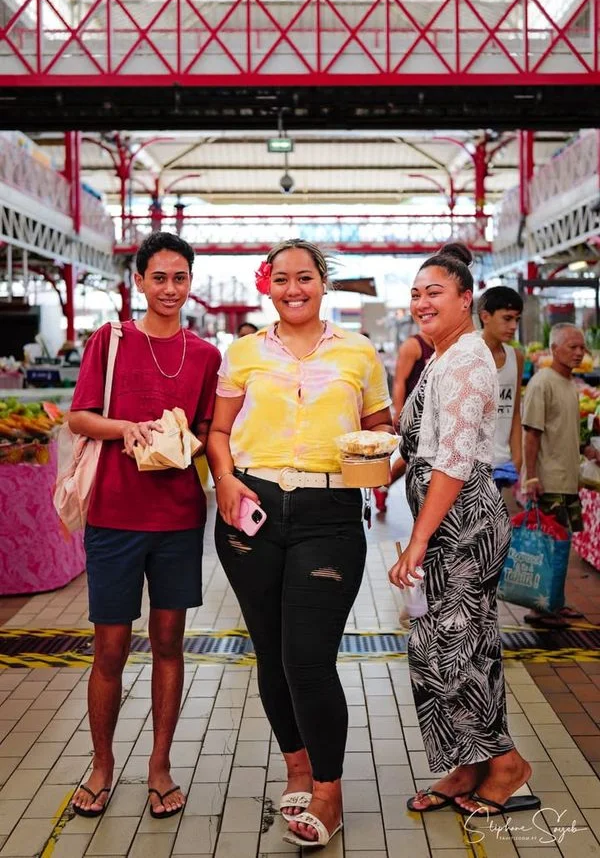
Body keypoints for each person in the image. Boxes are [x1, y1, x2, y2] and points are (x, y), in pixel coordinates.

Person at [206, 238, 393, 848]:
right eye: (282, 278)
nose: (294, 289)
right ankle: (297, 766)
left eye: (305, 277)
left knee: (308, 658)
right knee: (270, 650)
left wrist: (378, 455)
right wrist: (225, 480)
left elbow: (379, 426)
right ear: (268, 285)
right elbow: (219, 431)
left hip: (329, 513)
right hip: (251, 510)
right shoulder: (243, 353)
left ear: (323, 283)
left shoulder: (358, 352)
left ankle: (329, 793)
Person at [68, 232, 221, 820]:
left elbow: (209, 429)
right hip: (113, 515)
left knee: (168, 643)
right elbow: (80, 417)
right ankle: (101, 764)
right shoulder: (110, 341)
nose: (169, 288)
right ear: (138, 281)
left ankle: (160, 765)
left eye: (179, 278)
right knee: (109, 647)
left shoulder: (204, 355)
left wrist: (186, 442)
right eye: (159, 278)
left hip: (177, 517)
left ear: (190, 282)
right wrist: (125, 429)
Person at [388, 242, 539, 819]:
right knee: (444, 647)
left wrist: (418, 539)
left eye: (434, 292)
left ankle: (506, 765)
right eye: (416, 294)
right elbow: (426, 446)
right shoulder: (442, 357)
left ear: (464, 299)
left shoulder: (471, 360)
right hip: (445, 515)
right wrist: (383, 469)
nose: (422, 302)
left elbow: (453, 461)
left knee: (457, 650)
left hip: (464, 521)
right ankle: (467, 764)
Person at [521, 322, 587, 627]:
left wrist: (588, 450)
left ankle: (555, 603)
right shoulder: (542, 383)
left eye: (582, 347)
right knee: (549, 547)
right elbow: (531, 435)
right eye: (572, 347)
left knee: (561, 546)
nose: (579, 352)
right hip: (549, 481)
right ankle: (542, 608)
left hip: (567, 478)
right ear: (554, 349)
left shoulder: (569, 383)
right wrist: (532, 477)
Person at [374, 331, 434, 512]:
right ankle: (383, 485)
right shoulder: (413, 345)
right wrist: (399, 414)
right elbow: (399, 381)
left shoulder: (445, 344)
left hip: (436, 415)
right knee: (413, 455)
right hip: (416, 416)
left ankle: (383, 485)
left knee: (415, 456)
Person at [478, 286, 524, 489]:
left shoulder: (516, 357)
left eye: (517, 319)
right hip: (471, 466)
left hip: (502, 464)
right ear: (485, 316)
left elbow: (514, 412)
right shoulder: (467, 354)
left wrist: (517, 458)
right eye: (507, 318)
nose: (513, 326)